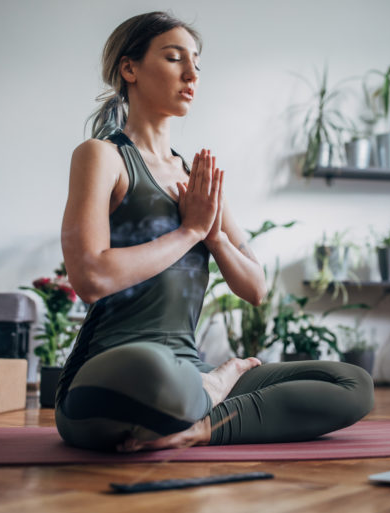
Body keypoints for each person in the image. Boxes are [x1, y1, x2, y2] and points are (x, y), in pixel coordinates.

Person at [57, 11, 373, 452]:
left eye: (197, 64)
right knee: (153, 369)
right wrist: (189, 232)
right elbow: (91, 278)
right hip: (114, 371)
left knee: (350, 381)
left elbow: (256, 287)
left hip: (186, 368)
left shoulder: (197, 180)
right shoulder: (103, 156)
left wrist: (215, 236)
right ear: (129, 69)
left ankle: (200, 427)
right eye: (173, 58)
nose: (191, 74)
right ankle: (213, 389)